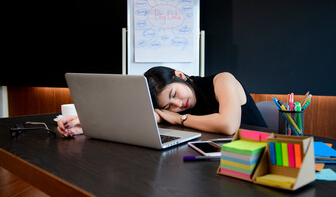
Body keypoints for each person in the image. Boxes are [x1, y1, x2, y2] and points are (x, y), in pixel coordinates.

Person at [57, 66, 267, 137]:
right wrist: (84, 124)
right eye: (168, 106)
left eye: (174, 94)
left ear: (180, 75)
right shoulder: (171, 109)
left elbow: (228, 125)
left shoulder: (222, 80)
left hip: (266, 154)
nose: (177, 105)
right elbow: (130, 119)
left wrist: (178, 119)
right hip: (228, 160)